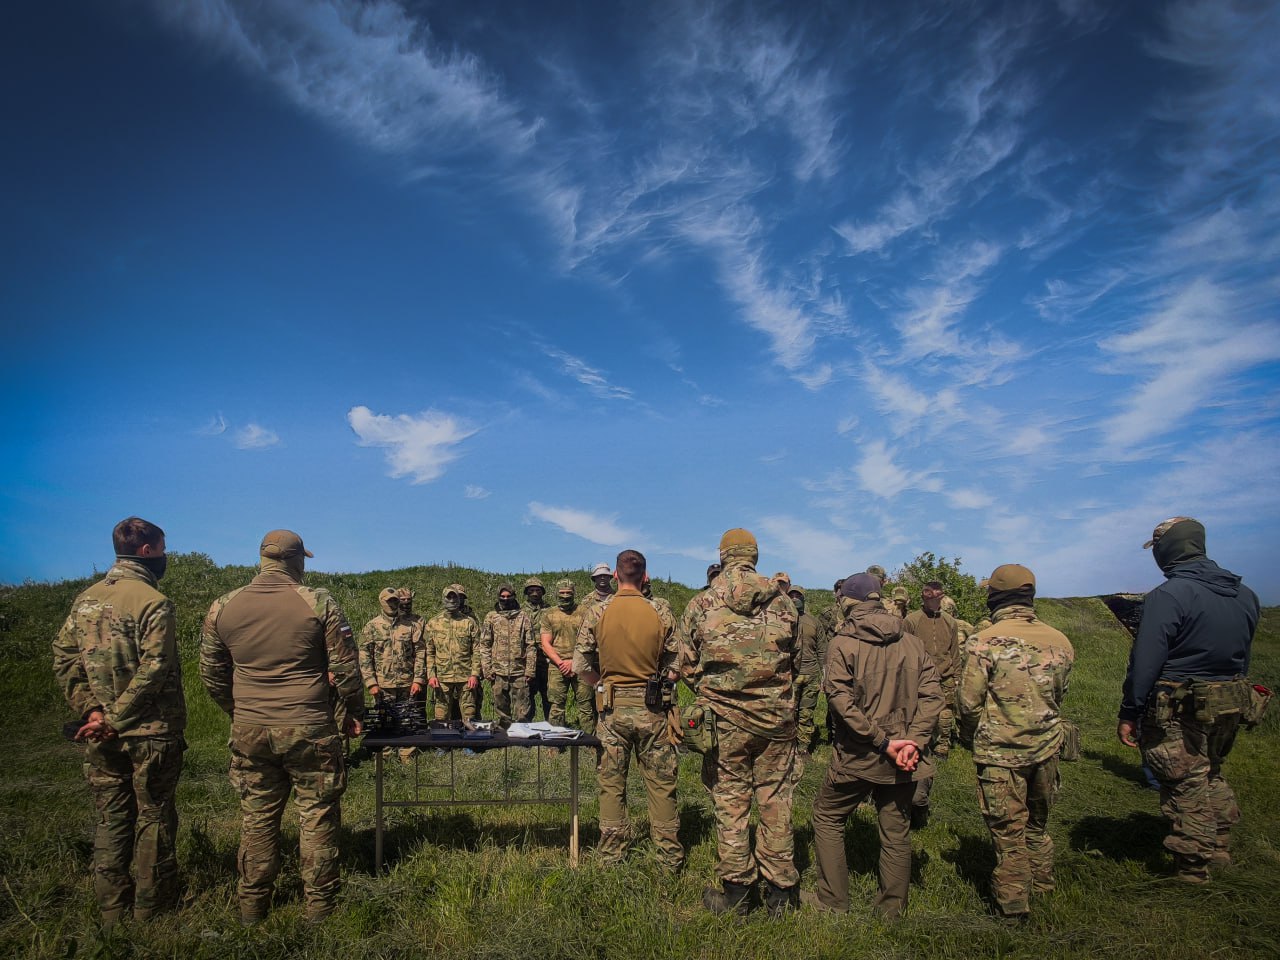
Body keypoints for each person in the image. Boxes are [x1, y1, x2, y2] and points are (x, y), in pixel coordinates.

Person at [199, 530, 363, 925]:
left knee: (257, 818)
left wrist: (239, 711)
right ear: (297, 560)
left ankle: (252, 907)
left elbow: (211, 674)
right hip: (309, 725)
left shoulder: (223, 605)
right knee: (317, 814)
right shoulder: (317, 601)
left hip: (250, 729)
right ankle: (320, 909)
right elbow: (345, 669)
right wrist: (354, 711)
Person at [52, 517, 186, 926]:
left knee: (110, 816)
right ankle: (151, 908)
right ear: (147, 550)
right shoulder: (153, 602)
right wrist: (115, 718)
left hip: (100, 733)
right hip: (151, 731)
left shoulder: (85, 600)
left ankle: (111, 907)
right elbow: (155, 668)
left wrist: (92, 712)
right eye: (162, 548)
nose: (165, 556)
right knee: (154, 815)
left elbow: (64, 657)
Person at [1117, 517, 1260, 882]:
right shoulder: (1245, 594)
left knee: (1184, 781)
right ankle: (1220, 846)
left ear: (1168, 549)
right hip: (1230, 701)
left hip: (1179, 706)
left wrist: (1131, 710)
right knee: (1211, 771)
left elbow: (1146, 661)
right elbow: (1242, 657)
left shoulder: (1169, 595)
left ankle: (1192, 868)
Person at [678, 528, 799, 915]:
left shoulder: (702, 603)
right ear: (754, 557)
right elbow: (794, 660)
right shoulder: (784, 603)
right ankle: (781, 894)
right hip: (776, 721)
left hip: (725, 721)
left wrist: (713, 690)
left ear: (723, 556)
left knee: (731, 804)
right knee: (776, 802)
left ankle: (737, 894)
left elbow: (684, 662)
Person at [810, 573, 942, 920]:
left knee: (827, 816)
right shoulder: (912, 641)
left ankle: (833, 900)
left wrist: (883, 741)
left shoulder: (843, 643)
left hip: (859, 754)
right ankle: (891, 910)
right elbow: (933, 696)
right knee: (896, 830)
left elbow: (840, 700)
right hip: (904, 755)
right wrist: (913, 742)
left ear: (848, 603)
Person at [958, 563, 1073, 919]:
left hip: (1000, 752)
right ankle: (1043, 883)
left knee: (1008, 831)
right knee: (1036, 825)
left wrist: (973, 735)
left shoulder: (984, 641)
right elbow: (1060, 695)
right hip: (1048, 747)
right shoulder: (1060, 640)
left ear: (994, 596)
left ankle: (1012, 904)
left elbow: (968, 703)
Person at [574, 550, 683, 870]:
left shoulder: (598, 611)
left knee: (611, 785)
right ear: (645, 576)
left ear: (615, 576)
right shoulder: (659, 611)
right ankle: (669, 857)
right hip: (653, 711)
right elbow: (677, 664)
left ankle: (612, 855)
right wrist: (659, 679)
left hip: (612, 711)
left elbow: (580, 664)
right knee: (662, 784)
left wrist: (600, 684)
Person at [904, 580, 961, 828]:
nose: (933, 601)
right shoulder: (912, 620)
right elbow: (904, 648)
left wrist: (956, 676)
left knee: (945, 715)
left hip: (945, 676)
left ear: (942, 598)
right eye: (929, 597)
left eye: (937, 598)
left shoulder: (950, 622)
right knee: (921, 716)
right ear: (923, 598)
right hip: (919, 677)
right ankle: (922, 744)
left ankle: (942, 748)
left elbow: (955, 652)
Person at [359, 587, 426, 762]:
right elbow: (364, 656)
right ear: (382, 602)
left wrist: (418, 679)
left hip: (406, 682)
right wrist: (371, 682)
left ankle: (407, 754)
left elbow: (420, 653)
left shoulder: (410, 626)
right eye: (389, 601)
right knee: (384, 719)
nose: (392, 604)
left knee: (407, 719)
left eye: (395, 600)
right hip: (383, 684)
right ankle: (385, 756)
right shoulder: (372, 627)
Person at [541, 579, 594, 732]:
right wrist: (561, 663)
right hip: (557, 666)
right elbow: (545, 643)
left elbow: (590, 639)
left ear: (574, 593)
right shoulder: (549, 614)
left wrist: (574, 661)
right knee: (556, 705)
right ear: (556, 593)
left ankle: (589, 739)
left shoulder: (584, 612)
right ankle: (556, 740)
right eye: (562, 593)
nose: (565, 596)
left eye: (568, 592)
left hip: (581, 664)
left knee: (585, 705)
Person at [480, 583, 534, 727]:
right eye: (502, 596)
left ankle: (522, 734)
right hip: (498, 672)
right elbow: (485, 644)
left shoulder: (523, 617)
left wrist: (530, 669)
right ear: (498, 597)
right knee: (501, 709)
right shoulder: (491, 617)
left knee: (523, 711)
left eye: (508, 596)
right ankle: (504, 734)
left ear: (514, 596)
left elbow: (530, 645)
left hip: (519, 671)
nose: (505, 599)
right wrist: (487, 668)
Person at [425, 584, 481, 722]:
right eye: (448, 597)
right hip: (442, 678)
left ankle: (469, 737)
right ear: (443, 599)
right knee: (441, 716)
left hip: (465, 677)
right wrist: (431, 675)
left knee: (470, 715)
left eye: (454, 597)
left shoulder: (469, 623)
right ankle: (442, 737)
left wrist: (474, 674)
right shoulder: (433, 623)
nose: (451, 600)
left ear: (459, 599)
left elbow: (477, 651)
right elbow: (430, 652)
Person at [786, 585, 822, 751]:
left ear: (803, 598)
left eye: (798, 596)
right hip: (790, 674)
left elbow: (822, 650)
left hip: (811, 675)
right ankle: (789, 747)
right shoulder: (783, 621)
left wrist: (824, 675)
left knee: (806, 714)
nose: (795, 599)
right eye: (791, 596)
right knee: (789, 714)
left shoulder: (814, 622)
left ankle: (803, 748)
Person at [522, 577, 551, 722]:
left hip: (546, 660)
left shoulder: (550, 610)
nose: (534, 593)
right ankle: (526, 728)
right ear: (526, 592)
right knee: (526, 697)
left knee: (549, 697)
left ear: (542, 592)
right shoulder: (519, 611)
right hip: (526, 661)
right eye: (531, 590)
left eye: (538, 590)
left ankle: (552, 727)